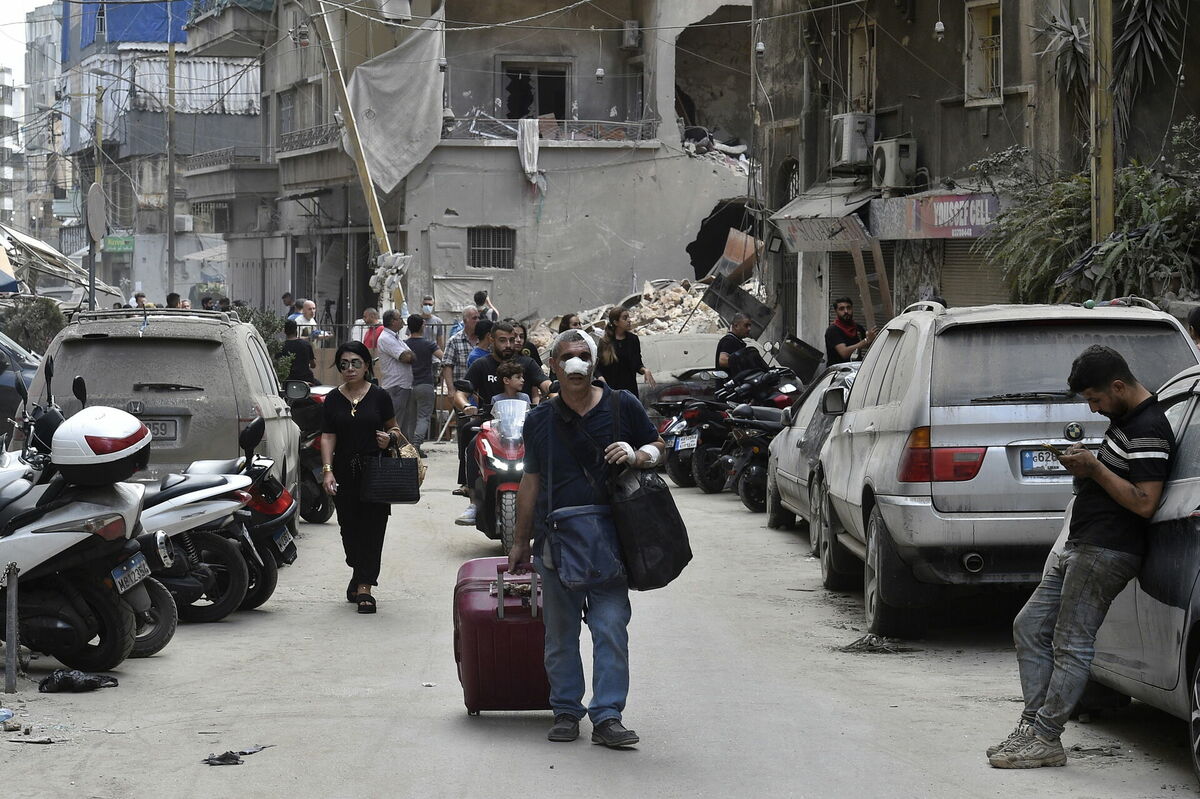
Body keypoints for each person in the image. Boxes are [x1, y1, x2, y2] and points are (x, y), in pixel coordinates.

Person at [988, 345, 1173, 770]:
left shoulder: (1149, 427)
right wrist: (1086, 466)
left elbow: (1145, 501)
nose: (1093, 407)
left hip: (1107, 550)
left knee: (1071, 643)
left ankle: (1047, 738)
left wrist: (1094, 468)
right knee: (1030, 626)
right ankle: (1032, 727)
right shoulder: (1125, 421)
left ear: (1119, 386)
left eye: (1095, 399)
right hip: (1083, 544)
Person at [507, 328, 664, 748]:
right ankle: (566, 711)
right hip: (556, 543)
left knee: (611, 627)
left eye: (582, 356)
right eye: (566, 357)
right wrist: (520, 542)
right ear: (553, 366)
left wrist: (636, 455)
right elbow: (531, 481)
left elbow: (657, 445)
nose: (575, 364)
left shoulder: (621, 405)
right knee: (559, 634)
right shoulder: (540, 419)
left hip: (611, 541)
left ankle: (608, 715)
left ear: (593, 363)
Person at [320, 341, 401, 615]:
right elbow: (328, 436)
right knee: (349, 530)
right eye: (344, 364)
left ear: (367, 365)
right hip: (344, 471)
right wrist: (327, 470)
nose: (350, 368)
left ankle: (365, 586)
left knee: (373, 528)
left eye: (355, 363)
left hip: (375, 470)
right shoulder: (332, 399)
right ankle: (357, 571)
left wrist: (388, 439)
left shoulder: (380, 396)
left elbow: (396, 430)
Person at [454, 321, 548, 526]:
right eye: (502, 340)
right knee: (470, 436)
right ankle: (473, 501)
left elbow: (544, 382)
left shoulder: (527, 363)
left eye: (512, 340)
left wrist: (555, 390)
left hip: (523, 425)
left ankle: (550, 498)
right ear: (491, 340)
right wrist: (465, 406)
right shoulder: (481, 364)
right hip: (490, 426)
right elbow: (461, 393)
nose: (508, 344)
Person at [376, 309, 416, 442]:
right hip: (396, 386)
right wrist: (410, 355)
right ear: (393, 321)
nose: (403, 322)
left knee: (404, 424)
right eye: (400, 318)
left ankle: (402, 454)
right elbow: (406, 357)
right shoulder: (386, 338)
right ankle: (394, 454)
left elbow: (412, 355)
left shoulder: (395, 337)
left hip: (402, 385)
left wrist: (411, 355)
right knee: (396, 424)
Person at [405, 314, 443, 456]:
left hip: (408, 385)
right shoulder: (429, 344)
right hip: (425, 384)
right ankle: (416, 444)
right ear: (422, 326)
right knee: (423, 417)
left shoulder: (404, 344)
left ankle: (411, 446)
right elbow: (443, 357)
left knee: (411, 418)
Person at [597, 307, 654, 393]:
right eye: (625, 318)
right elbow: (597, 368)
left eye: (628, 317)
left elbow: (637, 364)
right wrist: (600, 378)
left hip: (630, 391)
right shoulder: (605, 341)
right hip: (610, 392)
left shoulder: (633, 339)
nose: (629, 320)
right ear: (616, 322)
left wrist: (645, 370)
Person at [824, 297, 876, 365]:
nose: (846, 311)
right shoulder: (833, 330)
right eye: (841, 309)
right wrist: (866, 340)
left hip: (855, 369)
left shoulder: (858, 328)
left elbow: (868, 345)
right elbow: (844, 353)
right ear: (836, 311)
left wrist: (872, 337)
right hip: (838, 371)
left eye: (848, 308)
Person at [280, 319, 318, 385]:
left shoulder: (281, 347)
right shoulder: (306, 345)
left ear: (285, 331)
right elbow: (313, 365)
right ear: (296, 330)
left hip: (288, 381)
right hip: (306, 380)